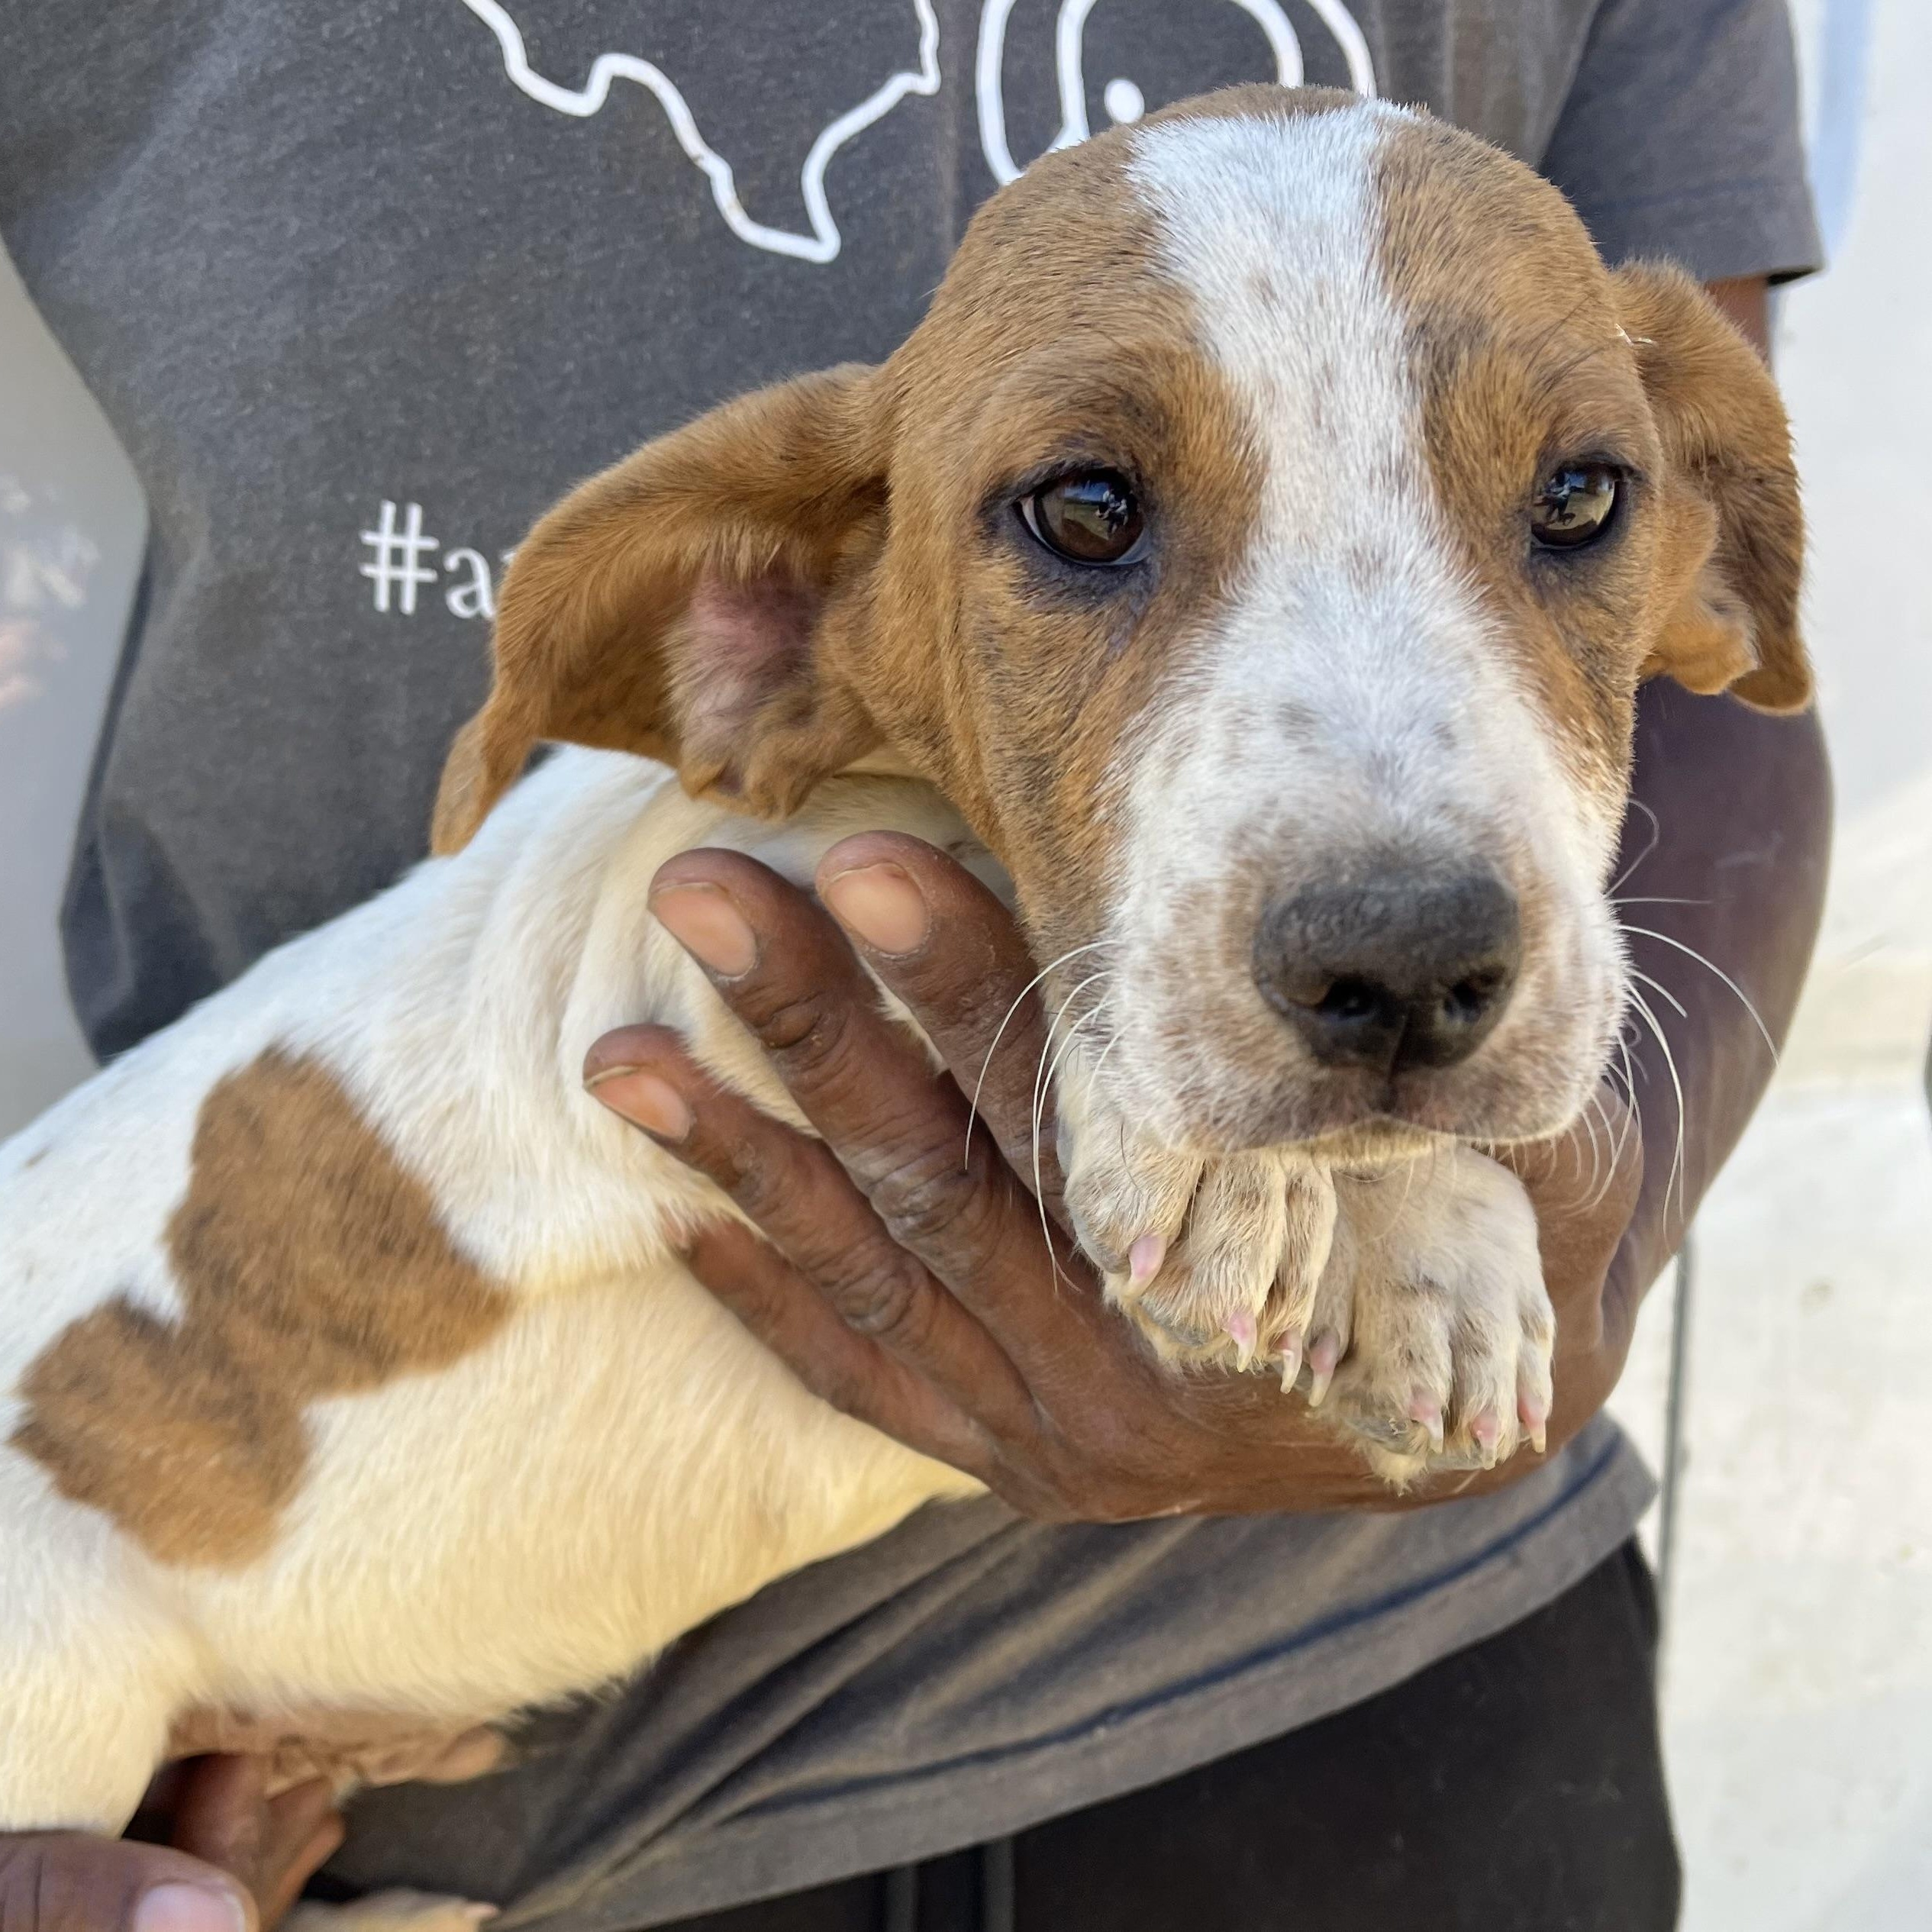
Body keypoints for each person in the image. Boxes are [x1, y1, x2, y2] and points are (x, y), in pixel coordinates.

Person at [0, 3, 1828, 1927]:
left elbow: (1740, 706)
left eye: (1572, 506)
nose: (1395, 884)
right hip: (314, 1738)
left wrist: (1582, 1242)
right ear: (766, 616)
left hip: (1372, 1688)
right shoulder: (781, 738)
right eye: (1093, 516)